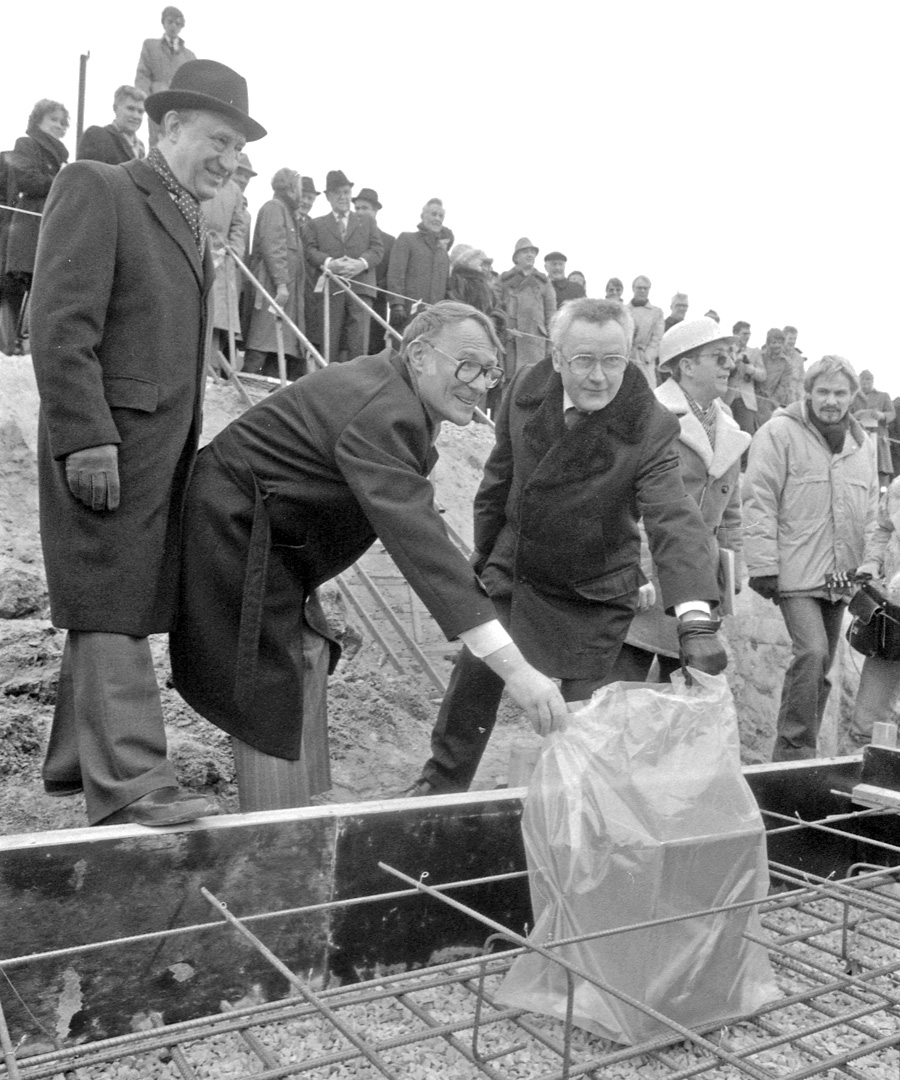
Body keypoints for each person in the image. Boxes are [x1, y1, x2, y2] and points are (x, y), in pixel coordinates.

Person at [169, 302, 569, 810]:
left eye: (490, 371)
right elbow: (421, 545)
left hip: (273, 538)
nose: (480, 384)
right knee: (264, 689)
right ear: (420, 355)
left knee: (308, 654)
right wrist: (517, 670)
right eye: (468, 365)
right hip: (234, 530)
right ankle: (275, 828)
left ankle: (303, 807)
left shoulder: (398, 392)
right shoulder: (383, 407)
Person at [30, 60, 266, 827]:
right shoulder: (98, 187)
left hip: (156, 448)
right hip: (108, 442)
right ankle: (132, 782)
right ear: (166, 127)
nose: (229, 161)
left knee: (116, 592)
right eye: (217, 140)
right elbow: (61, 327)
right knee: (110, 602)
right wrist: (86, 437)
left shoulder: (193, 228)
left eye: (237, 149)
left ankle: (75, 761)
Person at [405, 298, 724, 796]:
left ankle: (585, 829)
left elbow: (674, 517)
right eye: (583, 361)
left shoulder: (651, 424)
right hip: (520, 568)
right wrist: (484, 563)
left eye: (612, 361)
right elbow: (498, 481)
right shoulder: (526, 389)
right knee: (474, 678)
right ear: (557, 357)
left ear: (629, 358)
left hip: (593, 590)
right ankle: (438, 787)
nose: (599, 377)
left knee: (590, 736)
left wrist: (696, 617)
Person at [743, 355, 879, 761]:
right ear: (809, 393)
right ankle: (792, 751)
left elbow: (871, 510)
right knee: (812, 652)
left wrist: (869, 564)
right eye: (823, 391)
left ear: (852, 396)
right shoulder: (779, 432)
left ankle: (806, 750)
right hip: (795, 571)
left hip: (841, 575)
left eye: (839, 393)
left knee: (822, 665)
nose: (831, 400)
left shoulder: (863, 445)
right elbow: (758, 498)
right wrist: (763, 564)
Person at [608, 318, 749, 683]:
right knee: (622, 691)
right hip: (646, 576)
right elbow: (618, 500)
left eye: (729, 357)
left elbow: (729, 509)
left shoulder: (728, 424)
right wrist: (632, 570)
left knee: (687, 701)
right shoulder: (646, 412)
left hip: (699, 584)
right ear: (686, 366)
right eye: (718, 357)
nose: (730, 366)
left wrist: (729, 569)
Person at [2, 99, 69, 354]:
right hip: (31, 222)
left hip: (50, 221)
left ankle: (30, 340)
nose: (60, 126)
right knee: (28, 279)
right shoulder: (27, 144)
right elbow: (27, 179)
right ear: (38, 120)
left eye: (64, 123)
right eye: (54, 120)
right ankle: (18, 340)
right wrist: (63, 182)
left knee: (43, 281)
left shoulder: (62, 156)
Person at [303, 170, 383, 362]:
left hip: (361, 288)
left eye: (346, 192)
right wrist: (330, 263)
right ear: (329, 197)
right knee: (329, 341)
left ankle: (355, 386)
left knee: (358, 343)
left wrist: (360, 264)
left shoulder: (367, 221)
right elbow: (310, 251)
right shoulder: (317, 224)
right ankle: (327, 383)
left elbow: (378, 250)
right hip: (331, 289)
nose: (343, 197)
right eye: (338, 193)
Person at [847, 478, 900, 750]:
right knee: (868, 722)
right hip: (894, 616)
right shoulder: (899, 487)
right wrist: (872, 562)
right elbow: (883, 530)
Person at [243, 168, 307, 380]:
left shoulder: (288, 214)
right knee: (261, 343)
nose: (301, 194)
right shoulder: (274, 208)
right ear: (289, 188)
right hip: (272, 289)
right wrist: (281, 283)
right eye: (299, 188)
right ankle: (244, 385)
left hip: (284, 293)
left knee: (277, 349)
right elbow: (274, 247)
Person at [202, 171, 247, 371]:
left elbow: (239, 226)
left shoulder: (234, 190)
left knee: (218, 323)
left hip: (223, 262)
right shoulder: (200, 178)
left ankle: (212, 370)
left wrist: (233, 251)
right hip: (198, 252)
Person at [135, 6, 197, 146]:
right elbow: (142, 75)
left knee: (179, 143)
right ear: (163, 23)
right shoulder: (150, 46)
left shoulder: (189, 56)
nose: (173, 26)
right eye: (170, 22)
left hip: (180, 109)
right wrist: (145, 100)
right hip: (157, 105)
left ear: (182, 26)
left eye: (178, 23)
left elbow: (194, 85)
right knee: (156, 144)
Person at [386, 199, 450, 332]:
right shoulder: (407, 239)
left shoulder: (443, 252)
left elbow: (446, 286)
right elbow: (396, 273)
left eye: (441, 216)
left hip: (434, 317)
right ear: (423, 216)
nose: (437, 219)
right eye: (433, 214)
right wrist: (397, 303)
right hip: (408, 313)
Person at [499, 237, 556, 374]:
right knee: (509, 382)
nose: (530, 255)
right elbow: (497, 309)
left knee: (532, 380)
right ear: (516, 257)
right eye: (525, 252)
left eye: (532, 252)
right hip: (510, 340)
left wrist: (550, 345)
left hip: (535, 341)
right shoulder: (504, 280)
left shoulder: (543, 282)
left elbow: (551, 315)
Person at [352, 187, 394, 354]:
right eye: (357, 208)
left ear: (375, 211)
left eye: (365, 208)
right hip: (351, 300)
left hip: (377, 304)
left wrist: (371, 288)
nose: (360, 212)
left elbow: (392, 275)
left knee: (372, 348)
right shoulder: (349, 237)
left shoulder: (389, 241)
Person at [77, 86, 147, 164]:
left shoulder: (141, 148)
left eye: (140, 112)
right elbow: (86, 173)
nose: (136, 116)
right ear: (115, 108)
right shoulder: (98, 136)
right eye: (130, 109)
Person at [851, 369, 896, 489]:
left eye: (868, 380)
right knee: (859, 469)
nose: (866, 382)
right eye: (863, 380)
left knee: (882, 471)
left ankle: (882, 498)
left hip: (880, 440)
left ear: (873, 381)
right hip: (858, 439)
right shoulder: (852, 398)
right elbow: (845, 416)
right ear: (858, 381)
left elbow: (892, 414)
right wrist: (856, 415)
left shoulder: (883, 396)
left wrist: (882, 415)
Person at [726, 320, 767, 442]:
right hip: (727, 400)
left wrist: (752, 370)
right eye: (744, 333)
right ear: (735, 334)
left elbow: (763, 375)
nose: (747, 337)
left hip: (746, 401)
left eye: (749, 334)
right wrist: (735, 362)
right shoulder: (726, 350)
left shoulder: (754, 352)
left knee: (748, 438)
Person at [627, 275, 665, 386]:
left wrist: (648, 356)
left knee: (647, 388)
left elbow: (657, 338)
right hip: (627, 356)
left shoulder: (656, 312)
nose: (642, 291)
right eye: (639, 288)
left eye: (645, 288)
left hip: (644, 358)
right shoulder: (624, 310)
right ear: (633, 288)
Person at [756, 327, 795, 422]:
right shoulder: (759, 356)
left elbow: (784, 386)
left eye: (780, 343)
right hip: (755, 399)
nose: (777, 345)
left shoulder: (787, 363)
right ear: (768, 343)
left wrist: (772, 401)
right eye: (773, 342)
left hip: (773, 403)